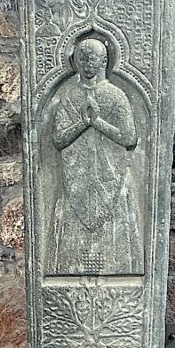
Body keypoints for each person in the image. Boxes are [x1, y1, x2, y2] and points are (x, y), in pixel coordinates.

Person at [48, 36, 142, 275]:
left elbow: (129, 138)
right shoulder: (69, 96)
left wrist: (98, 123)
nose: (87, 62)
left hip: (113, 178)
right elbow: (58, 139)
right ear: (75, 61)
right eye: (82, 57)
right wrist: (82, 123)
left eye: (92, 58)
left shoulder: (116, 95)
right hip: (75, 180)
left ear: (104, 61)